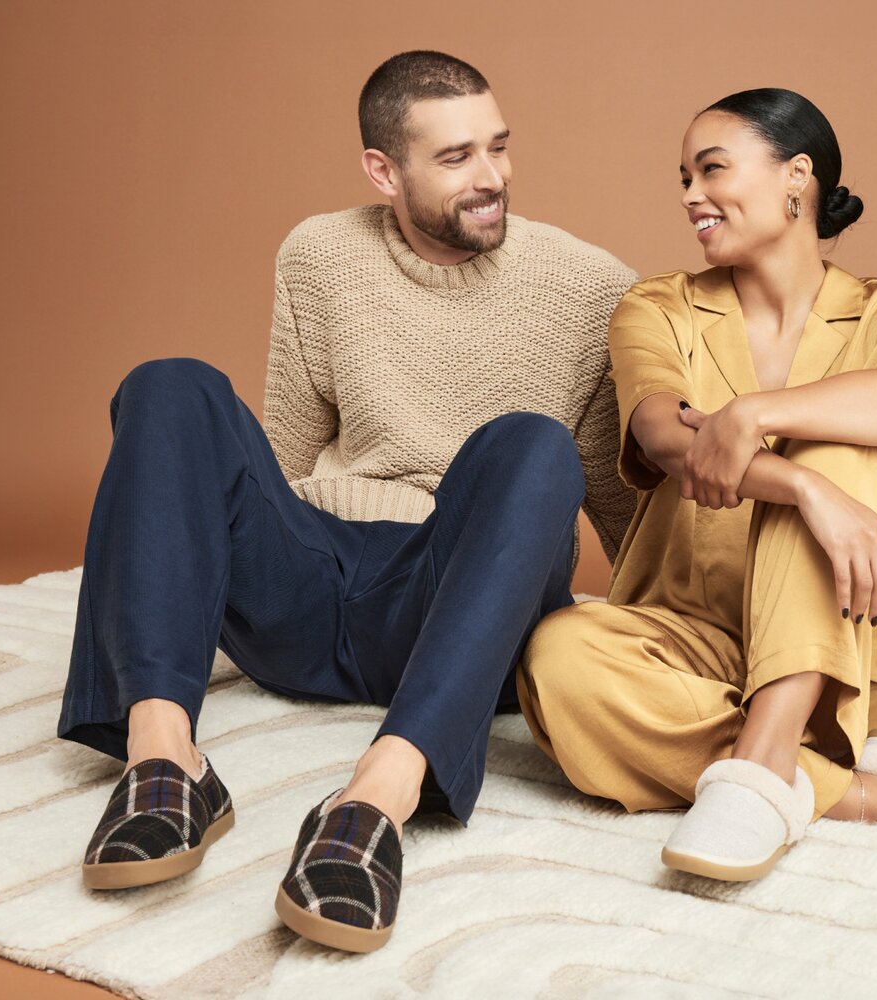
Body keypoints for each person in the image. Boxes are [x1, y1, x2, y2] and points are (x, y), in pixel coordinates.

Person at [54, 51, 638, 951]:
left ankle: (374, 799)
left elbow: (616, 509)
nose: (491, 179)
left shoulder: (589, 285)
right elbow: (276, 459)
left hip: (454, 594)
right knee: (168, 384)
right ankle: (166, 759)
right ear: (383, 169)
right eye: (454, 159)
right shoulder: (320, 253)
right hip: (313, 582)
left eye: (498, 148)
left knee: (532, 442)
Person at [516, 88, 877, 882]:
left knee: (837, 451)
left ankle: (766, 756)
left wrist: (756, 416)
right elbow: (663, 435)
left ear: (796, 178)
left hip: (857, 641)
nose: (689, 197)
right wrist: (804, 492)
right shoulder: (657, 305)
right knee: (556, 657)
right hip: (693, 634)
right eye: (682, 178)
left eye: (711, 171)